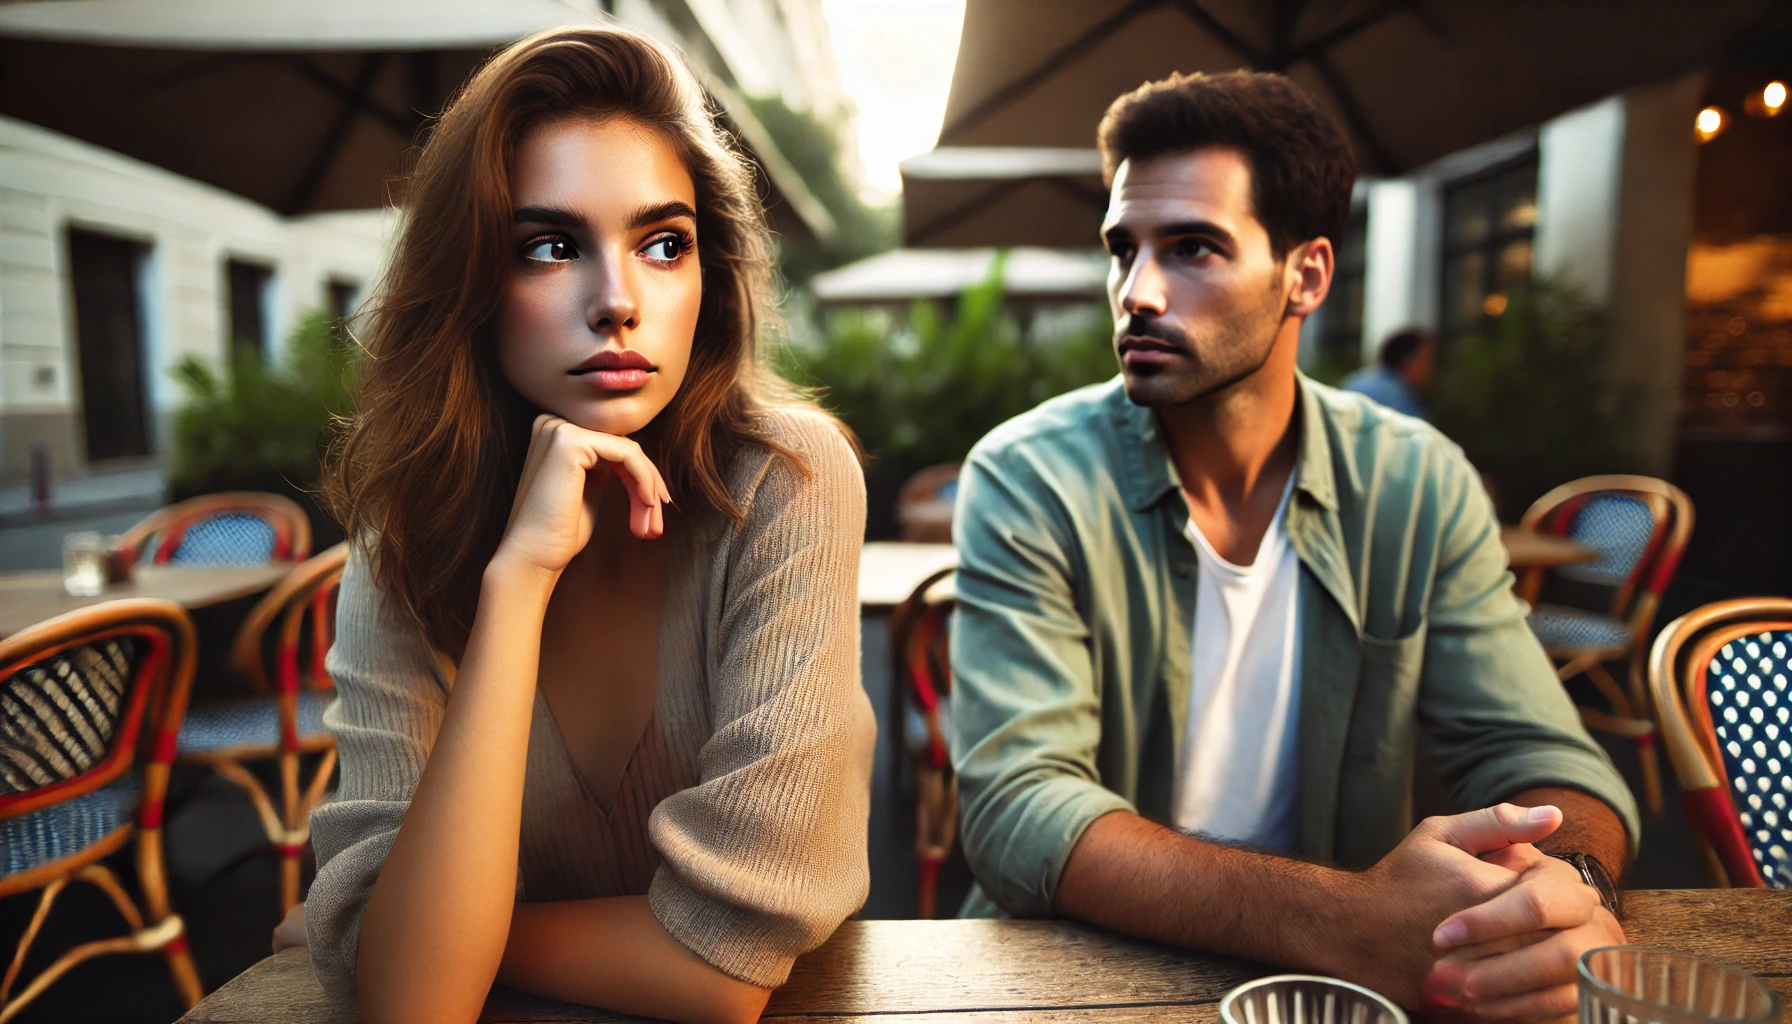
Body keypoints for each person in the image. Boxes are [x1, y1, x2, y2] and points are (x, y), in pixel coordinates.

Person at [949, 69, 1636, 1022]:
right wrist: (1345, 917)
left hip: (1342, 994)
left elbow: (1536, 749)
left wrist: (1564, 888)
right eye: (1123, 249)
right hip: (1074, 979)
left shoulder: (1416, 481)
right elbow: (1019, 807)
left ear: (1305, 275)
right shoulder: (1030, 477)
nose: (1137, 292)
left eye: (1191, 248)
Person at [281, 26, 874, 1024]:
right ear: (468, 281)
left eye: (663, 243)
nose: (618, 302)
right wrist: (516, 578)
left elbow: (725, 967)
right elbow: (414, 1011)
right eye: (550, 246)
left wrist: (424, 935)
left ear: (709, 275)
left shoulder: (785, 478)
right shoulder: (404, 537)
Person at [1341, 328, 1434, 419]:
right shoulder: (1396, 396)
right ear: (1408, 361)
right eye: (1427, 361)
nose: (1429, 370)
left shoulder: (1356, 380)